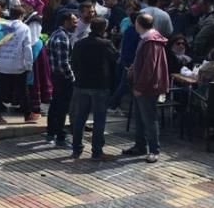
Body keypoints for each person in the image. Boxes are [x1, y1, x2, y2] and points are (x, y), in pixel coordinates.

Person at [122, 13, 169, 163]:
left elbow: (150, 66)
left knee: (149, 118)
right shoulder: (149, 39)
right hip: (143, 84)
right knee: (140, 117)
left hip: (147, 87)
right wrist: (134, 67)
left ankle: (154, 150)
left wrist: (140, 86)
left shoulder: (150, 41)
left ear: (138, 24)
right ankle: (140, 145)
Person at [70, 17, 117, 160]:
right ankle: (97, 151)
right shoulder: (106, 44)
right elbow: (115, 59)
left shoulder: (79, 43)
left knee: (80, 118)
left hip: (82, 83)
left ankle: (76, 148)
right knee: (99, 119)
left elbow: (74, 63)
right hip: (100, 85)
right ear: (104, 29)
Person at [0, 4, 35, 124]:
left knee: (0, 91)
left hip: (3, 64)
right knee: (23, 90)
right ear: (21, 16)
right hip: (18, 65)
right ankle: (27, 115)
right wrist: (29, 64)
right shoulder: (24, 28)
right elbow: (27, 47)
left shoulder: (2, 27)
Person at [46, 12, 77, 147]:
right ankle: (60, 136)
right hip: (62, 78)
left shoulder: (56, 34)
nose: (76, 24)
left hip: (56, 76)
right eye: (74, 21)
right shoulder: (62, 38)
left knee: (55, 106)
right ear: (66, 21)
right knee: (62, 108)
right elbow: (63, 63)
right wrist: (73, 78)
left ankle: (51, 133)